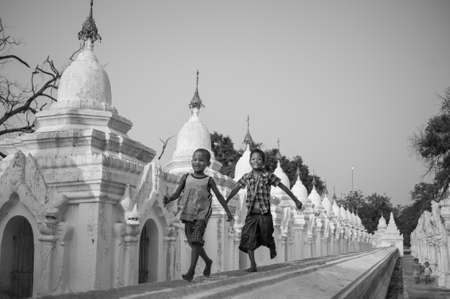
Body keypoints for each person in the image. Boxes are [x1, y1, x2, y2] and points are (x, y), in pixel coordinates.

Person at [226, 149, 302, 272]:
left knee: (266, 236)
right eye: (253, 159)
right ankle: (253, 265)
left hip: (264, 213)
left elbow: (283, 187)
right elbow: (236, 188)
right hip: (251, 213)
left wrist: (296, 200)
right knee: (248, 237)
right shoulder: (247, 177)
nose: (256, 161)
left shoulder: (268, 176)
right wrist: (227, 199)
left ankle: (271, 244)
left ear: (263, 162)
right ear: (250, 161)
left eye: (259, 159)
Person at [164, 148, 233, 282]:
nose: (197, 162)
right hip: (188, 212)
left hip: (202, 213)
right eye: (195, 159)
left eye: (201, 160)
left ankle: (191, 272)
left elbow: (219, 196)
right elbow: (177, 193)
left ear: (207, 163)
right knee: (192, 242)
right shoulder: (186, 177)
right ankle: (208, 261)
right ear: (191, 161)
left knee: (195, 240)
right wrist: (169, 199)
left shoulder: (209, 180)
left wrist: (228, 212)